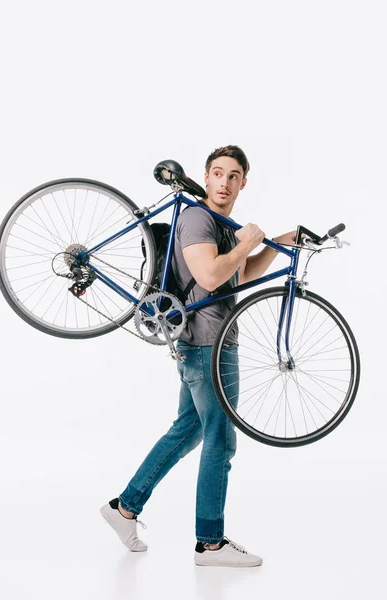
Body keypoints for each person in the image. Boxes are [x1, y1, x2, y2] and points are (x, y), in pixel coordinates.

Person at [100, 145, 297, 567]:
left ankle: (124, 508)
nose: (224, 182)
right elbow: (209, 276)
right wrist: (245, 242)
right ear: (205, 178)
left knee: (189, 431)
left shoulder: (221, 225)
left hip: (211, 341)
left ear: (244, 182)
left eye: (233, 176)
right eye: (217, 173)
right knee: (220, 439)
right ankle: (210, 542)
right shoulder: (196, 218)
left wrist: (278, 243)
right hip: (207, 343)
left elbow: (239, 273)